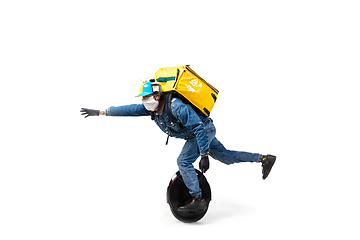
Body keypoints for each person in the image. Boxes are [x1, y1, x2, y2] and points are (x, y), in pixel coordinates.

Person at [80, 80, 276, 211]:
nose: (143, 101)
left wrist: (205, 154)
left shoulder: (177, 107)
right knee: (226, 157)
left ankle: (197, 199)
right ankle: (264, 159)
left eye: (146, 97)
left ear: (157, 96)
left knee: (183, 161)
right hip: (197, 134)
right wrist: (101, 112)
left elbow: (199, 129)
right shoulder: (154, 109)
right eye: (143, 98)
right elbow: (128, 109)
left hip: (203, 131)